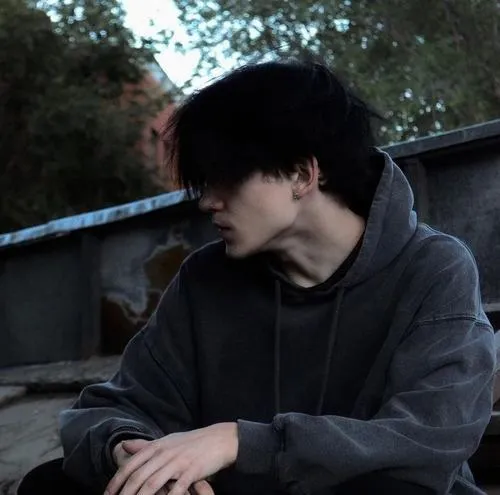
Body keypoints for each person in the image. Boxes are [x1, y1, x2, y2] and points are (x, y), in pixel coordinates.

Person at [30, 60, 498, 495]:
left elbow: (428, 437)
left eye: (226, 178)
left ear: (301, 174)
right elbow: (113, 407)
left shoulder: (434, 268)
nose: (207, 201)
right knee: (53, 485)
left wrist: (239, 441)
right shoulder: (205, 278)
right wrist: (131, 452)